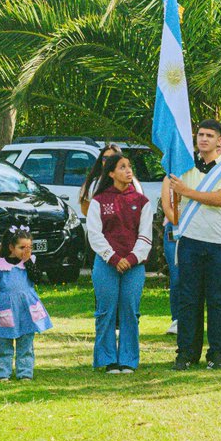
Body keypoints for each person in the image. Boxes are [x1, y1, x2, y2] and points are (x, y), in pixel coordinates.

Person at [163, 119, 221, 370]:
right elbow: (171, 188)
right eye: (200, 134)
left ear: (219, 140)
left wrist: (187, 191)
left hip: (218, 242)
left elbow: (220, 199)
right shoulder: (185, 165)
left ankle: (216, 353)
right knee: (188, 299)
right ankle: (186, 353)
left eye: (209, 135)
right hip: (190, 240)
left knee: (216, 300)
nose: (203, 139)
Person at [88, 153, 154, 373]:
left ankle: (128, 359)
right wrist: (114, 258)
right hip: (106, 264)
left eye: (129, 166)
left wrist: (132, 258)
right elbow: (95, 235)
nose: (128, 170)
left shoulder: (142, 202)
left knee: (130, 310)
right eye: (122, 167)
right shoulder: (99, 201)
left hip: (134, 266)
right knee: (106, 310)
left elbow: (145, 236)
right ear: (111, 173)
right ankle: (107, 359)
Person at [0, 226, 52, 380]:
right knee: (3, 341)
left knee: (26, 342)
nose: (26, 251)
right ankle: (2, 373)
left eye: (29, 247)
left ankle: (24, 373)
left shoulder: (30, 262)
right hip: (6, 308)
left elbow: (37, 279)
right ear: (11, 247)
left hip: (26, 309)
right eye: (22, 247)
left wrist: (27, 261)